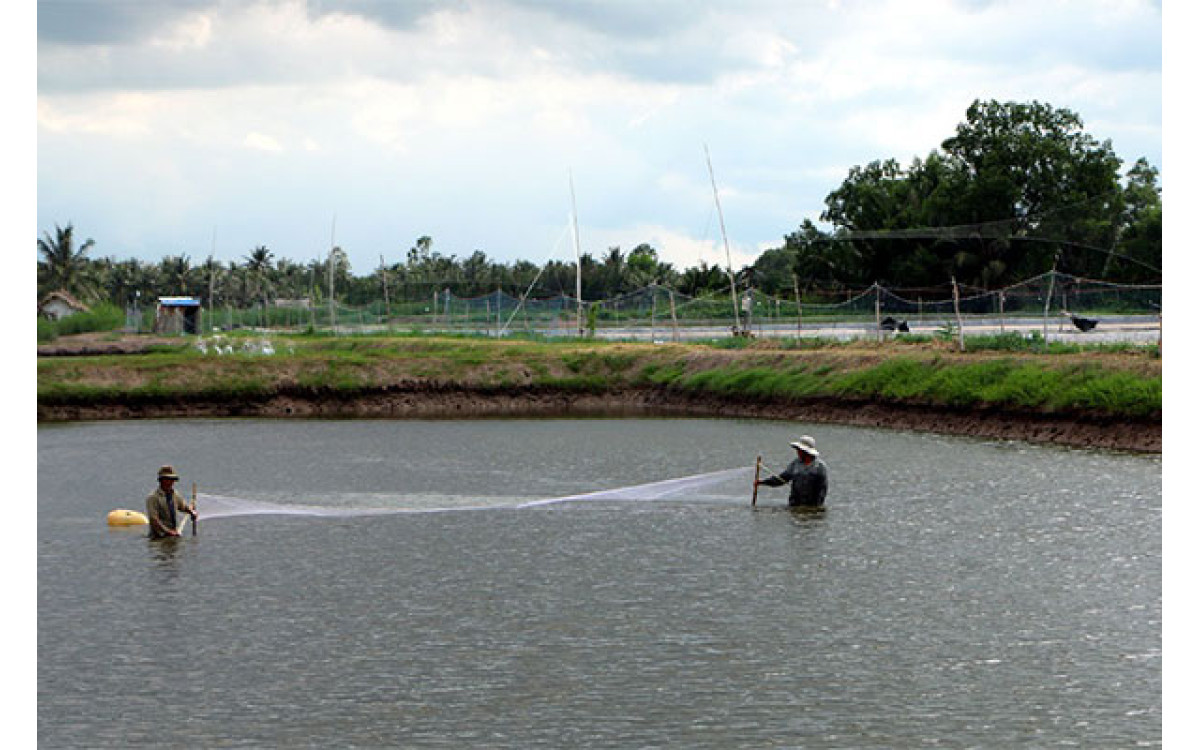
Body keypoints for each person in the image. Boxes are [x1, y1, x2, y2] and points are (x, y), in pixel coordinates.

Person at [755, 436, 828, 508]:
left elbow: (822, 490)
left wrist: (814, 508)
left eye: (799, 450)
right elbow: (782, 479)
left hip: (812, 505)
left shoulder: (820, 467)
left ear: (805, 451)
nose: (797, 452)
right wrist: (762, 482)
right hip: (794, 504)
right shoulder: (795, 464)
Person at [145, 465, 197, 539]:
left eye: (172, 479)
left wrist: (191, 512)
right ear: (161, 480)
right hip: (158, 538)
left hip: (173, 535)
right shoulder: (153, 498)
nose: (170, 482)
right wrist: (168, 531)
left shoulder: (174, 494)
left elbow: (183, 507)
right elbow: (154, 520)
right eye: (167, 479)